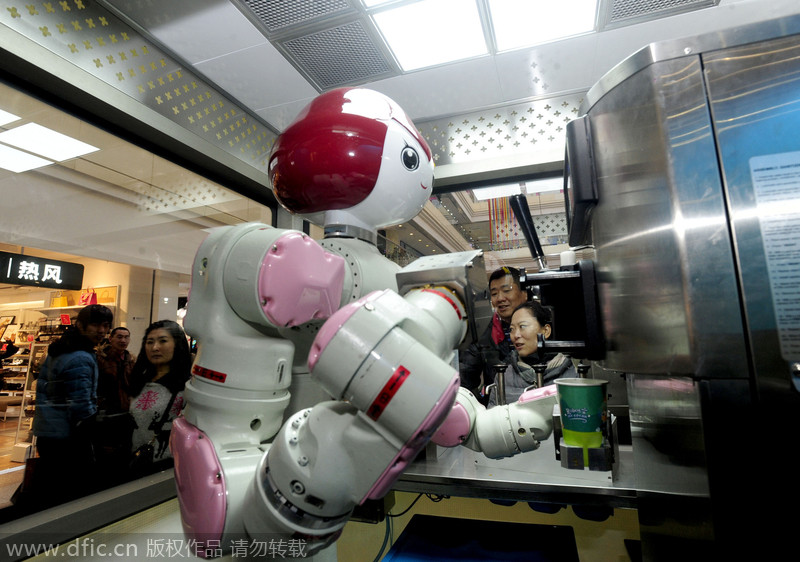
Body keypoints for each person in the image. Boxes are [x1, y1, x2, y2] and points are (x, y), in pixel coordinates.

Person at [31, 304, 113, 506]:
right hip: (67, 438)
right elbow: (81, 406)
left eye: (105, 325)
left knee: (54, 492)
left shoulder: (61, 349)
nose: (102, 331)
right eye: (95, 325)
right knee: (72, 495)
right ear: (80, 325)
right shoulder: (80, 356)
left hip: (49, 432)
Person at [127, 320, 192, 475]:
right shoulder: (140, 380)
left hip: (170, 467)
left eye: (163, 341)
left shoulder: (188, 387)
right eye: (150, 342)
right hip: (139, 460)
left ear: (177, 345)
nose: (155, 347)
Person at [487, 300, 577, 407]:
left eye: (522, 326)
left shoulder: (573, 372)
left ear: (546, 331)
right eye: (512, 329)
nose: (515, 335)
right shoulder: (504, 376)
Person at [458, 266, 528, 402]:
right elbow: (466, 379)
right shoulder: (483, 331)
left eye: (506, 290)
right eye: (494, 293)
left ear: (524, 293)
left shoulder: (541, 325)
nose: (500, 298)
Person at [94, 326, 137, 477]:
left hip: (126, 412)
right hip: (105, 413)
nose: (123, 340)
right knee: (106, 452)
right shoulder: (100, 359)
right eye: (119, 337)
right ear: (110, 338)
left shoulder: (131, 360)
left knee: (124, 450)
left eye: (126, 337)